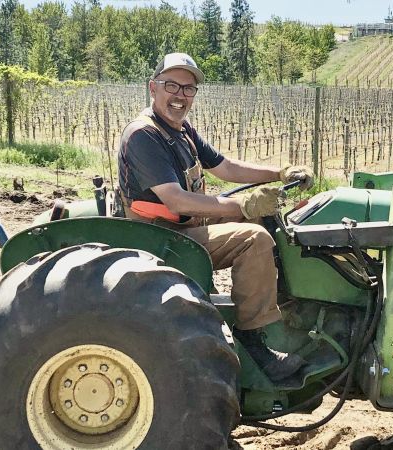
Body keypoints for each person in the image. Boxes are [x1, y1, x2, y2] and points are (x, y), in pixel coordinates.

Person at [117, 53, 314, 381]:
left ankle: (285, 308)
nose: (180, 95)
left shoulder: (181, 132)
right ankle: (254, 342)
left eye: (188, 88)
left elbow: (225, 167)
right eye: (171, 85)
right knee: (254, 239)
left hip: (183, 227)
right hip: (159, 237)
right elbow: (176, 201)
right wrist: (243, 207)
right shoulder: (144, 135)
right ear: (153, 88)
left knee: (265, 222)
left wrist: (279, 173)